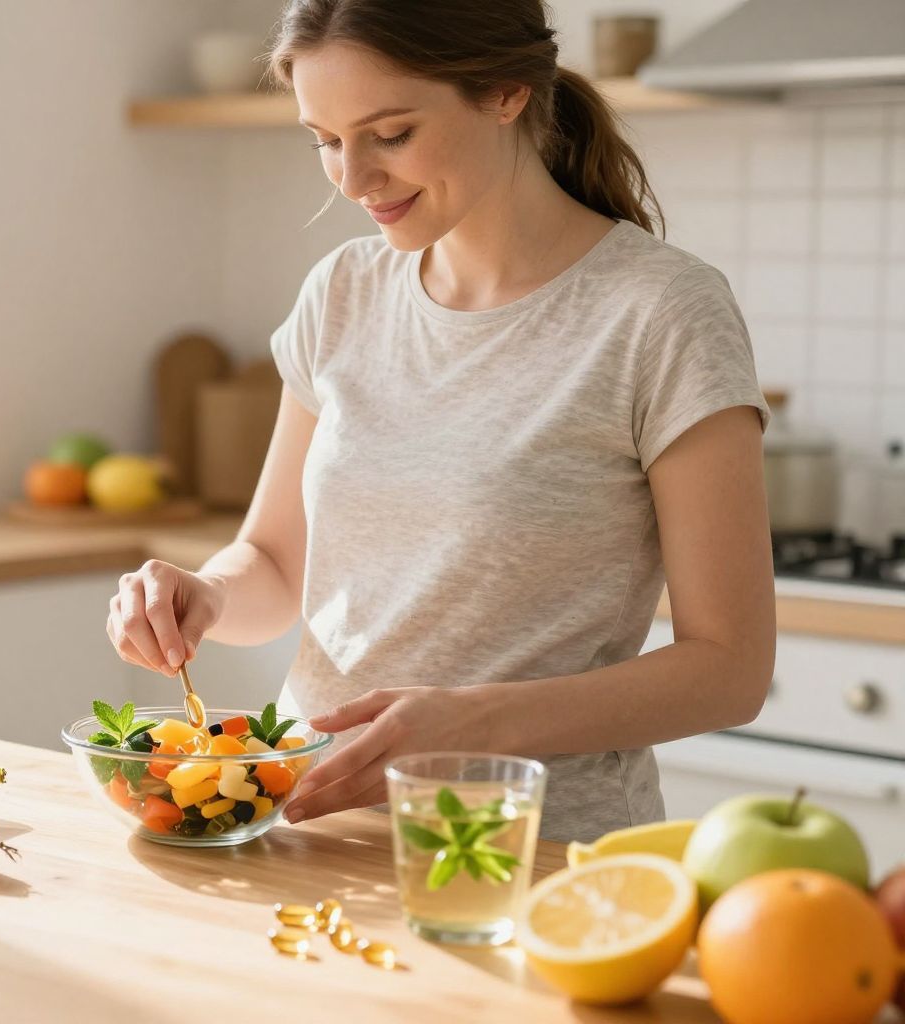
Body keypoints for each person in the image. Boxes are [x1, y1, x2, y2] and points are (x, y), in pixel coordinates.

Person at [104, 0, 775, 843]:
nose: (352, 178)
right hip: (305, 825)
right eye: (324, 140)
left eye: (389, 134)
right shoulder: (342, 292)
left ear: (504, 92)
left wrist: (471, 724)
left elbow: (729, 671)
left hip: (527, 856)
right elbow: (275, 563)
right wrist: (203, 595)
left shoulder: (662, 313)